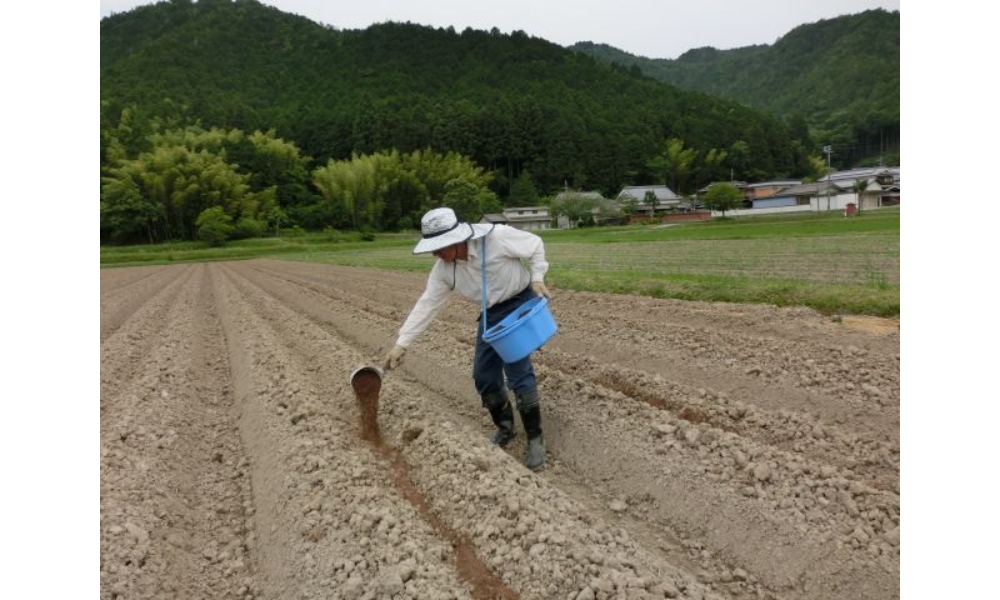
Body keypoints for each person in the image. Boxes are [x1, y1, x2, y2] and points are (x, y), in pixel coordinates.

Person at [382, 207, 552, 471]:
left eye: (439, 248)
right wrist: (402, 343)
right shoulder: (443, 270)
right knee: (483, 375)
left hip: (518, 302)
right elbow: (427, 304)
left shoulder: (496, 239)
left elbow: (535, 244)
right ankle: (505, 428)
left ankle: (535, 438)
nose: (435, 254)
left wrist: (538, 278)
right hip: (491, 313)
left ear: (456, 240)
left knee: (518, 371)